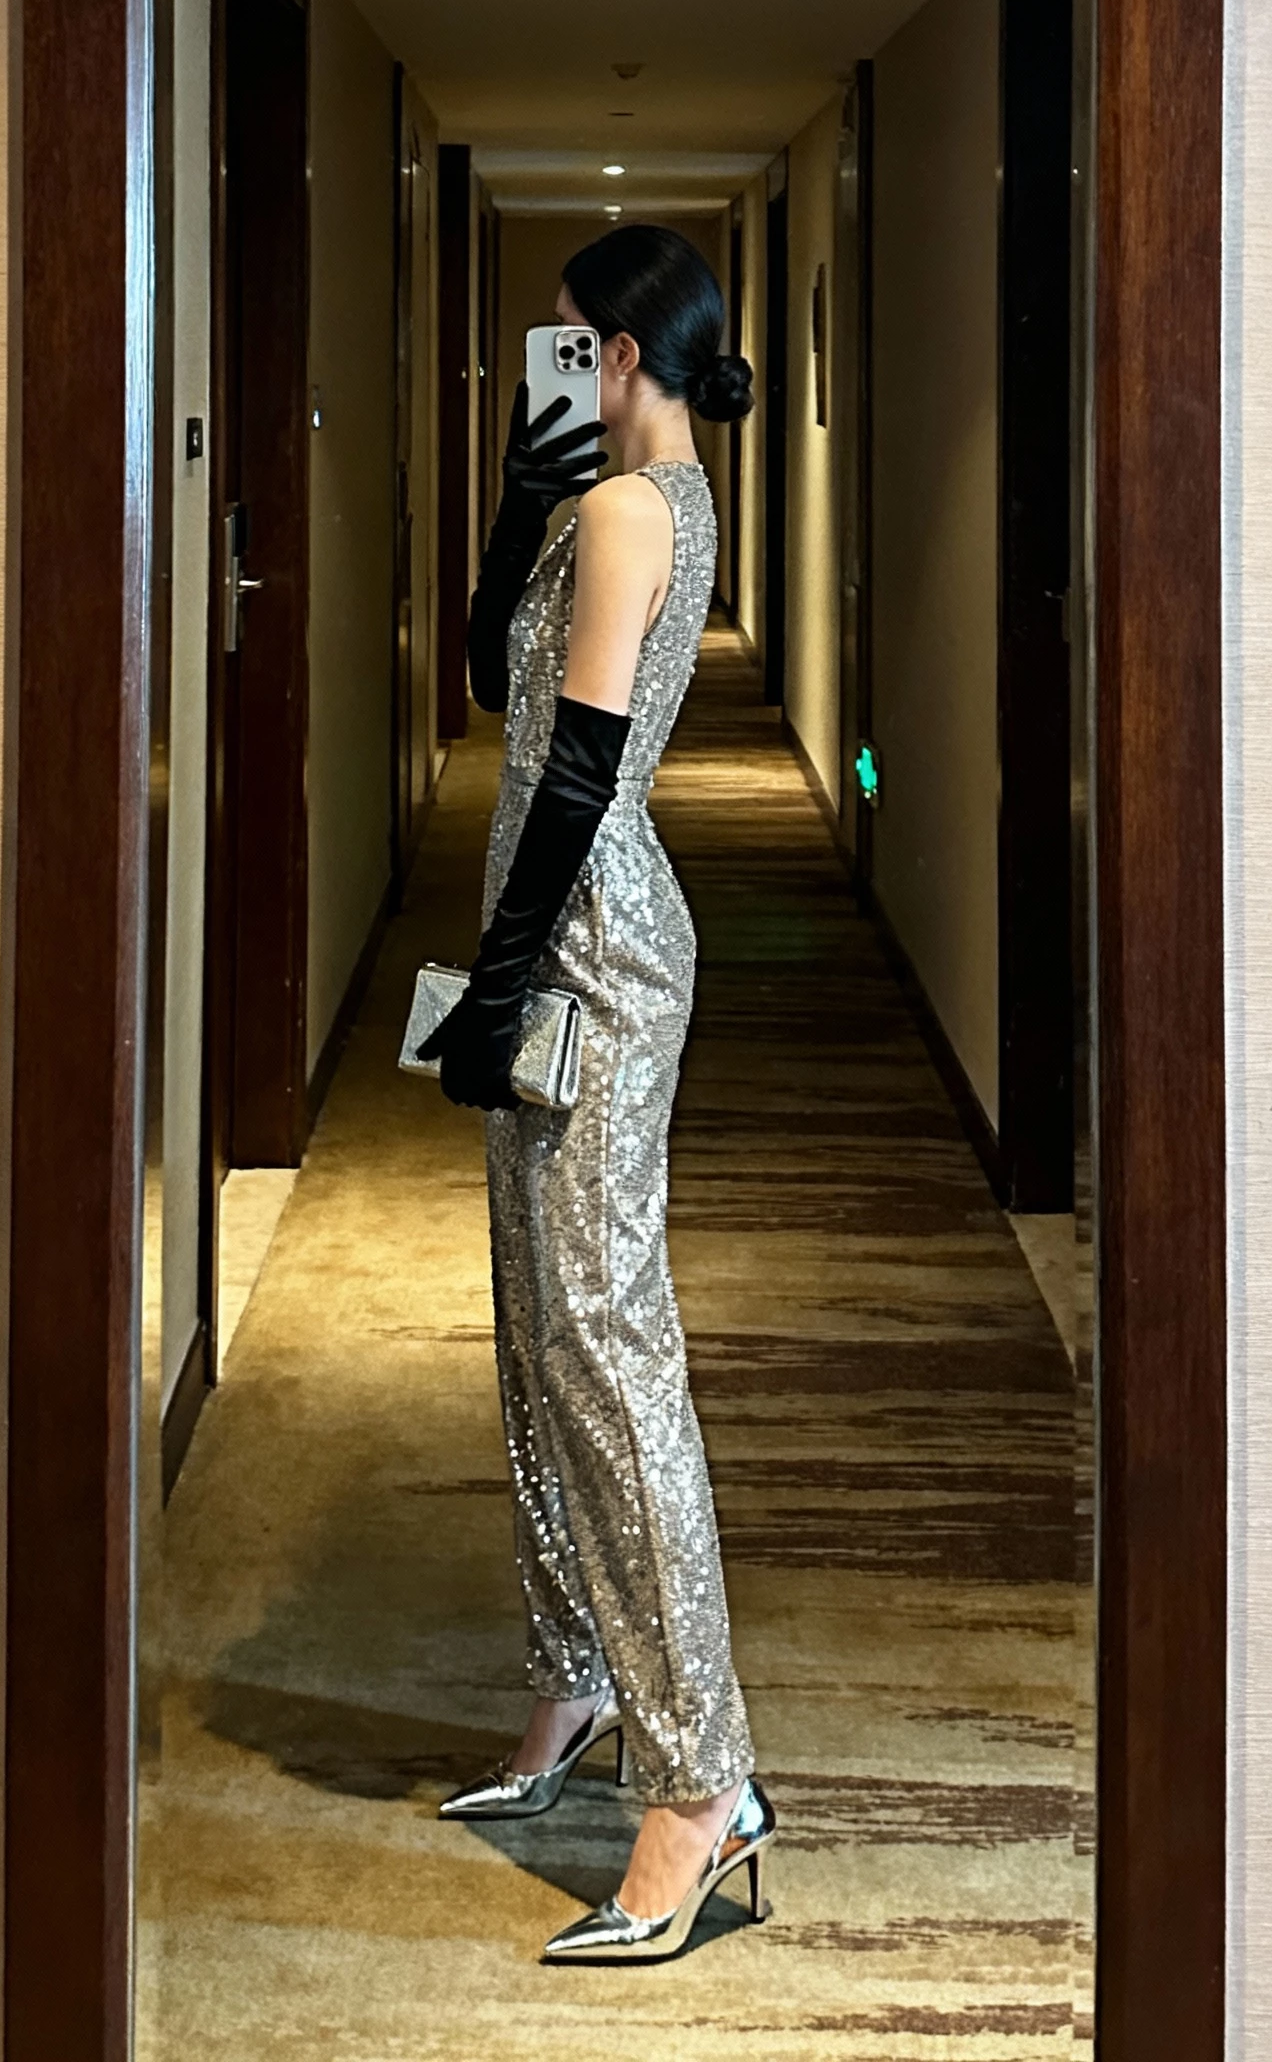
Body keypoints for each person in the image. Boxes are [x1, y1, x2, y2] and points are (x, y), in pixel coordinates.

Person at [419, 224, 775, 1963]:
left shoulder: (642, 512)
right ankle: (571, 1682)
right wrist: (513, 500)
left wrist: (503, 976)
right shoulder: (625, 500)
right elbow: (495, 671)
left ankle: (704, 1780)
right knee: (535, 1323)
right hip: (556, 929)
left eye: (571, 347)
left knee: (606, 1341)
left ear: (627, 349)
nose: (554, 367)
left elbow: (566, 768)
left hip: (594, 948)